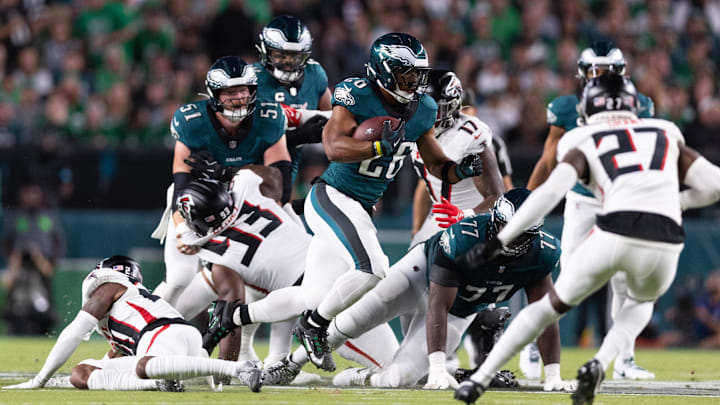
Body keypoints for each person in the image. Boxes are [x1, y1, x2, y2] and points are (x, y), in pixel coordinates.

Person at [453, 74, 720, 405]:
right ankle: (600, 362)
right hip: (665, 239)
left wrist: (500, 240)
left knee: (548, 307)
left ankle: (479, 380)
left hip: (614, 230)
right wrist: (678, 203)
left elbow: (550, 191)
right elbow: (714, 185)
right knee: (639, 304)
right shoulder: (666, 131)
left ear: (588, 107)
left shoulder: (582, 137)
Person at [292, 32, 484, 370]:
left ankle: (272, 361)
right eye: (405, 73)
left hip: (361, 208)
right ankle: (313, 325)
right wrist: (378, 146)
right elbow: (334, 147)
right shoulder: (357, 95)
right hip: (332, 196)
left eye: (417, 73)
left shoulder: (423, 108)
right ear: (383, 70)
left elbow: (437, 164)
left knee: (312, 295)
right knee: (373, 268)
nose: (413, 81)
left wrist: (460, 169)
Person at [266, 189, 573, 391]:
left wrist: (553, 374)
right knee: (353, 320)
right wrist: (438, 365)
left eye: (522, 235)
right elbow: (437, 303)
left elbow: (543, 315)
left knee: (400, 378)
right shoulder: (465, 238)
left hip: (461, 309)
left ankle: (360, 378)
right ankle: (291, 365)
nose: (513, 241)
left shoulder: (542, 252)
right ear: (495, 223)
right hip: (420, 274)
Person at [171, 169, 399, 383]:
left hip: (307, 292)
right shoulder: (247, 187)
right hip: (325, 267)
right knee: (394, 367)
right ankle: (288, 363)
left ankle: (282, 361)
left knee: (307, 299)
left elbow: (231, 298)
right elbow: (272, 173)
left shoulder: (216, 253)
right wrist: (231, 170)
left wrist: (223, 362)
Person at [526, 41, 657, 381]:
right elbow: (549, 157)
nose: (601, 78)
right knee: (569, 275)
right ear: (584, 74)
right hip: (584, 198)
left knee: (625, 281)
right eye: (595, 71)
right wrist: (527, 198)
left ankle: (625, 359)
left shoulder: (640, 105)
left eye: (608, 72)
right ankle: (531, 339)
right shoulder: (568, 107)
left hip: (621, 199)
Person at [1, 255, 262, 392]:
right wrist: (65, 380)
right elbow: (106, 367)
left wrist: (40, 378)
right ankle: (160, 381)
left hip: (161, 338)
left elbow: (74, 332)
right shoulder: (132, 305)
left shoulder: (109, 286)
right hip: (185, 339)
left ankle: (238, 368)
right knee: (82, 372)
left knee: (143, 365)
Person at [151, 55, 291, 307]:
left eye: (243, 90)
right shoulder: (192, 122)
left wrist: (226, 173)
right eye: (230, 92)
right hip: (198, 204)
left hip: (247, 206)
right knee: (179, 279)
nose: (238, 98)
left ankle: (272, 348)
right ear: (215, 94)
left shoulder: (269, 117)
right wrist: (183, 229)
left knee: (281, 272)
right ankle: (134, 330)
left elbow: (281, 185)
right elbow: (181, 185)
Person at [410, 69, 504, 247]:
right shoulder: (415, 130)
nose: (427, 115)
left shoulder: (467, 136)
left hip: (473, 222)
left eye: (435, 109)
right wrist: (417, 229)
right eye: (423, 108)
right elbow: (425, 183)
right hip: (438, 218)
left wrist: (464, 215)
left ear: (452, 106)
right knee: (399, 275)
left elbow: (497, 197)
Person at [2, 183, 64, 335]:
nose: (31, 197)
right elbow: (5, 242)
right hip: (18, 268)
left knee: (42, 304)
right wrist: (12, 260)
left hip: (42, 266)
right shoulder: (15, 217)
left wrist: (48, 261)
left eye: (34, 193)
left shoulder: (49, 217)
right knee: (16, 304)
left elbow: (58, 242)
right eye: (27, 193)